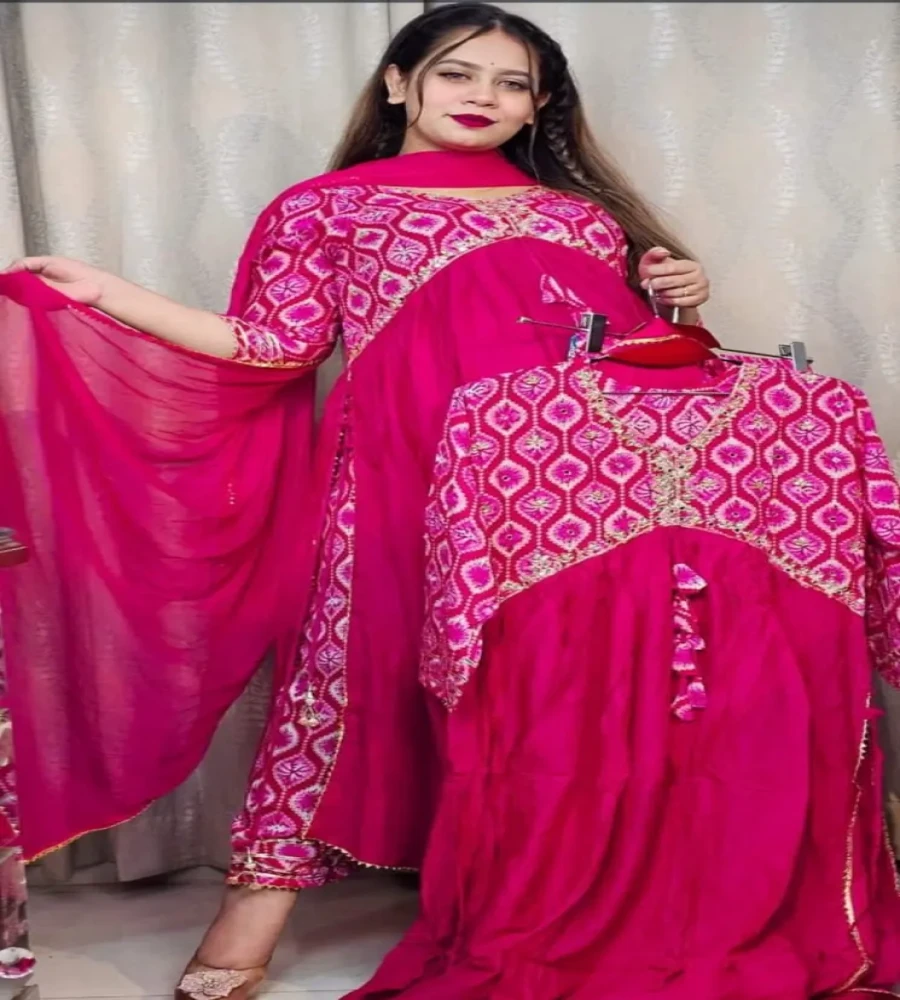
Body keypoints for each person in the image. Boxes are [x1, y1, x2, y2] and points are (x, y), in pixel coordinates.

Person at [2, 5, 712, 998]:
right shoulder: (327, 208)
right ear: (397, 83)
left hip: (562, 497)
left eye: (511, 83)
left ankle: (546, 896)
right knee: (344, 676)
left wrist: (681, 301)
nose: (483, 96)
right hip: (395, 477)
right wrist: (110, 295)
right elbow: (273, 344)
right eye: (458, 73)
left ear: (540, 105)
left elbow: (629, 371)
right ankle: (252, 912)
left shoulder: (582, 219)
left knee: (547, 685)